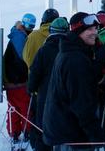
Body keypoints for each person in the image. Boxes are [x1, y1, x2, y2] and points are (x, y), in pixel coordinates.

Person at [43, 12, 103, 150]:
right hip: (72, 134)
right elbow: (81, 102)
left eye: (96, 28)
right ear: (78, 32)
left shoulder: (69, 51)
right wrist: (96, 134)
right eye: (90, 29)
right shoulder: (75, 60)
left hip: (64, 129)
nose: (95, 32)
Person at [27, 17, 69, 151]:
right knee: (63, 129)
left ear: (51, 31)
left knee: (42, 129)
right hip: (65, 97)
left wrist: (31, 88)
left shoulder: (43, 51)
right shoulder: (70, 50)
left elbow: (35, 73)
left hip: (45, 96)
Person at [4, 14, 36, 149]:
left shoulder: (17, 34)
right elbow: (24, 59)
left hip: (11, 81)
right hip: (19, 81)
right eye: (30, 26)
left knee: (13, 108)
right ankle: (27, 131)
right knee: (25, 108)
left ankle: (14, 132)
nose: (31, 29)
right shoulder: (19, 37)